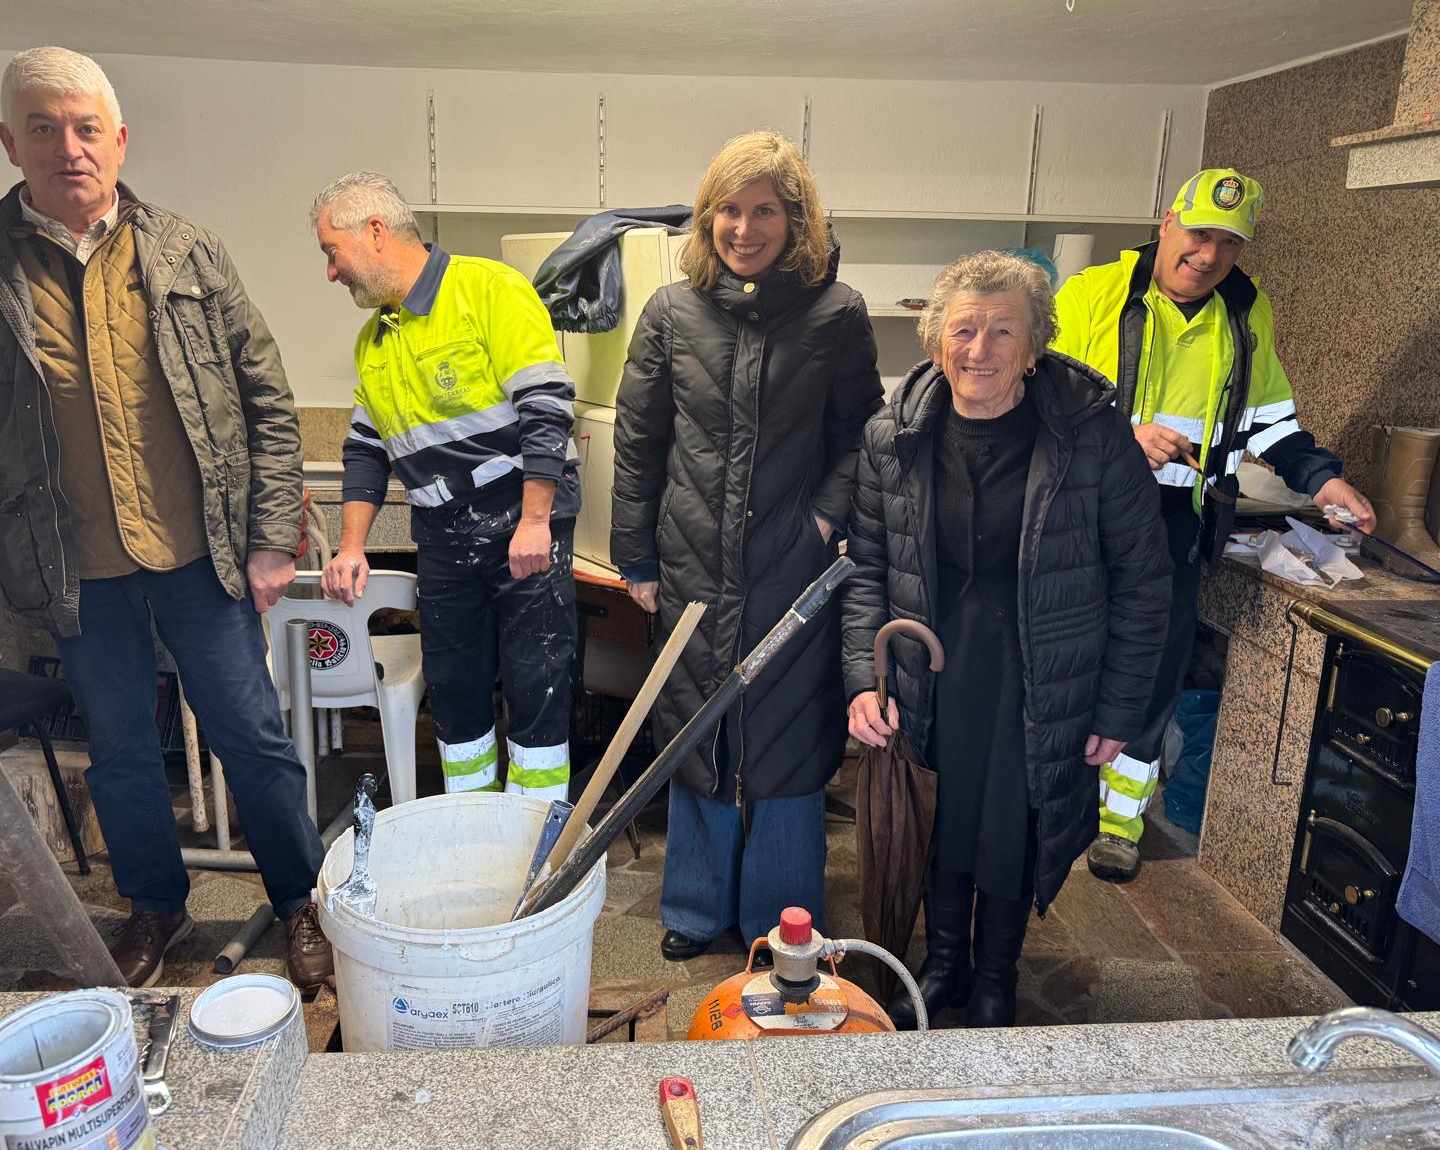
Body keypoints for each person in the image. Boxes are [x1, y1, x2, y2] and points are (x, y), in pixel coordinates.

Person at [0, 47, 329, 991]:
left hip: (200, 554)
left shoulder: (190, 251)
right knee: (124, 751)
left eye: (87, 127)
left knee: (252, 738)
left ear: (120, 139)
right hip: (71, 569)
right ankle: (154, 906)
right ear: (10, 142)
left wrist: (270, 538)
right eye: (44, 129)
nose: (70, 147)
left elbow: (267, 401)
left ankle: (302, 899)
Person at [843, 250, 1172, 1028]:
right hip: (932, 670)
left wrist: (1117, 709)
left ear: (1034, 349)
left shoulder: (1091, 436)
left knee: (1013, 826)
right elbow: (866, 570)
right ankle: (944, 963)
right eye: (964, 330)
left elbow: (1143, 580)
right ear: (936, 341)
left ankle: (996, 972)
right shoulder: (895, 435)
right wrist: (863, 679)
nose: (979, 350)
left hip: (1040, 675)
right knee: (941, 817)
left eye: (1002, 332)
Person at [1052, 169, 1376, 883]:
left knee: (1152, 669)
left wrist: (1323, 479)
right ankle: (1048, 804)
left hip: (1177, 525)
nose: (1209, 255)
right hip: (1079, 517)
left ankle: (1119, 825)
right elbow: (1040, 406)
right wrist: (1120, 438)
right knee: (1064, 661)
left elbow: (1271, 421)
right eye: (1199, 233)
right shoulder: (1091, 295)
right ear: (1168, 221)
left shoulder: (1245, 312)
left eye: (1229, 243)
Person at [612, 132, 883, 961]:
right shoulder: (671, 312)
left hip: (792, 566)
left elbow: (861, 434)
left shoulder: (837, 314)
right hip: (693, 562)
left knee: (787, 734)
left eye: (764, 210)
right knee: (698, 730)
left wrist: (823, 520)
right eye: (728, 209)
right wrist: (636, 556)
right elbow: (639, 440)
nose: (743, 227)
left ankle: (782, 916)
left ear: (796, 219)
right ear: (707, 218)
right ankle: (695, 908)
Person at [313, 172, 579, 801]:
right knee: (454, 692)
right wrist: (351, 547)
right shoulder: (375, 339)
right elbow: (366, 449)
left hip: (519, 520)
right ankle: (472, 824)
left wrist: (535, 522)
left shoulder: (488, 289)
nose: (330, 272)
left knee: (535, 682)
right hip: (441, 533)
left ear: (375, 232)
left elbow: (545, 406)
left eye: (332, 252)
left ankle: (534, 833)